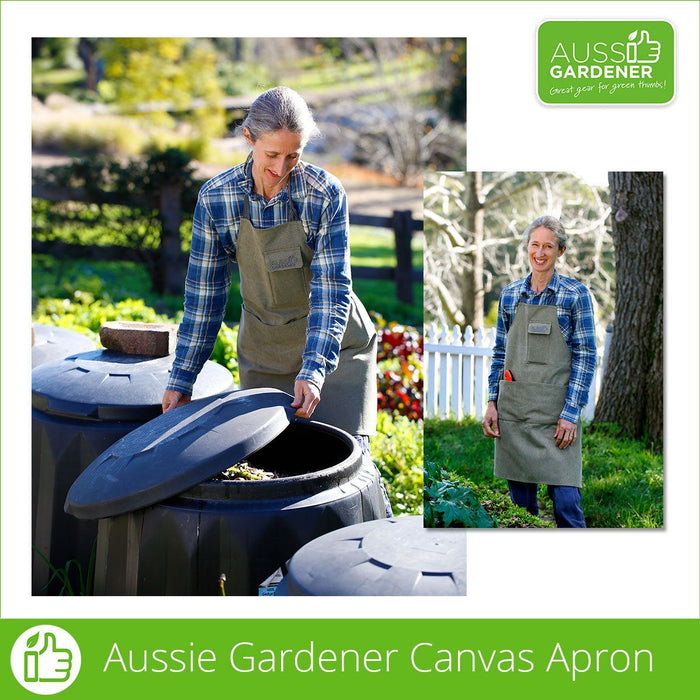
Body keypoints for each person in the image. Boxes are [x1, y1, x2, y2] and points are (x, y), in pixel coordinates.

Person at [161, 86, 391, 514]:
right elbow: (204, 299)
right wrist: (182, 378)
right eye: (271, 155)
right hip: (264, 353)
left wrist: (315, 368)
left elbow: (331, 289)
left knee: (349, 477)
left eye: (293, 156)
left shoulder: (323, 193)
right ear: (248, 139)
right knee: (271, 476)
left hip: (335, 351)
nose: (281, 168)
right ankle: (282, 579)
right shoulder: (217, 199)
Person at [481, 216, 597, 528]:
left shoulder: (576, 295)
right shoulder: (510, 294)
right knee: (520, 512)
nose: (540, 252)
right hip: (515, 414)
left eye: (548, 246)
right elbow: (500, 354)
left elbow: (586, 357)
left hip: (557, 417)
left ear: (561, 250)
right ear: (527, 248)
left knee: (567, 506)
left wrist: (570, 413)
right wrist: (493, 402)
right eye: (535, 244)